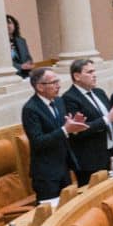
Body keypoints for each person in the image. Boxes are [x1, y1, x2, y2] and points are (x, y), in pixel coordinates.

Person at [63, 58, 113, 184]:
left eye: (94, 71)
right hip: (90, 160)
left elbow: (110, 120)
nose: (94, 75)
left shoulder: (99, 92)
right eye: (89, 72)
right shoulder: (69, 98)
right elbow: (79, 130)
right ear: (77, 76)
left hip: (110, 153)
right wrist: (108, 118)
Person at [22, 67, 87, 201]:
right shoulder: (30, 109)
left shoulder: (58, 101)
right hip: (46, 173)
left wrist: (74, 127)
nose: (58, 85)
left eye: (58, 81)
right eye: (54, 82)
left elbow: (63, 129)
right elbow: (38, 141)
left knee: (69, 206)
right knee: (52, 210)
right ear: (40, 87)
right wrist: (65, 130)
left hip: (64, 166)